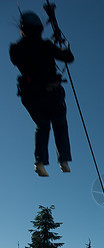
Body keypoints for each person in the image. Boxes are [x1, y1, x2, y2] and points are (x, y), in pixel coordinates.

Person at [9, 11, 74, 177]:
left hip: (31, 96)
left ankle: (39, 162)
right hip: (51, 93)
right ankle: (64, 161)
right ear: (39, 29)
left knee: (43, 126)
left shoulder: (16, 49)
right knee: (60, 124)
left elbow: (18, 59)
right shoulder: (46, 46)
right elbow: (68, 57)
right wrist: (62, 43)